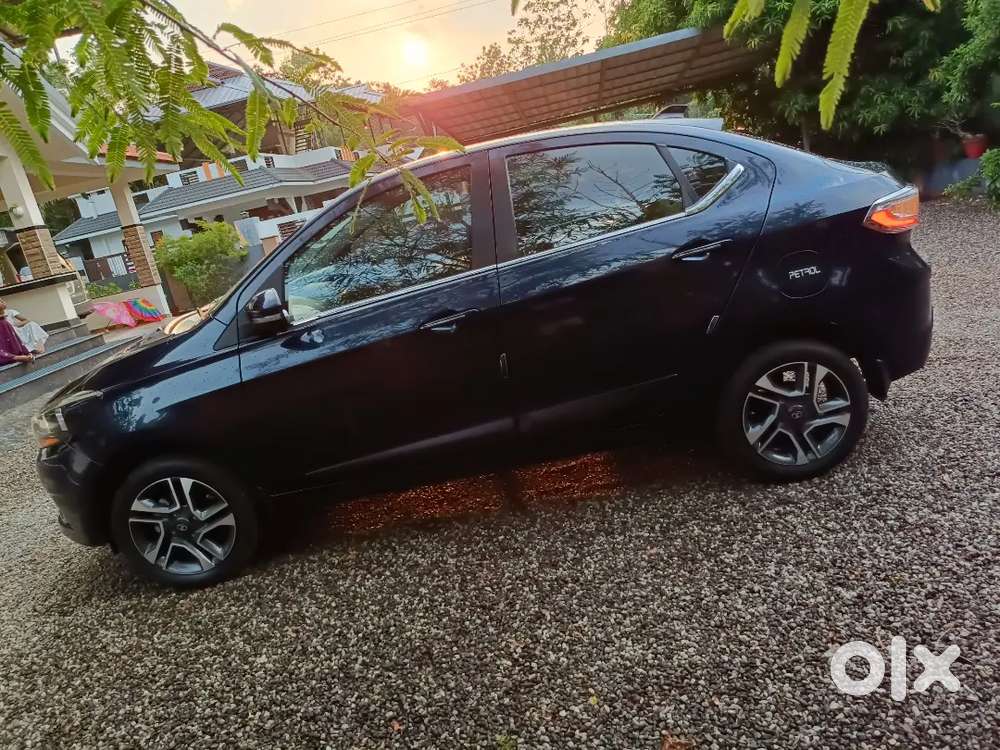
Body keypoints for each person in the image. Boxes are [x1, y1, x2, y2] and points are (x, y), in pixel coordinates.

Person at [0, 299, 33, 366]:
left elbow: (15, 339)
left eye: (1, 301)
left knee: (32, 325)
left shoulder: (4, 322)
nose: (3, 302)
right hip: (6, 359)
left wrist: (26, 353)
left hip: (13, 356)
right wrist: (16, 357)